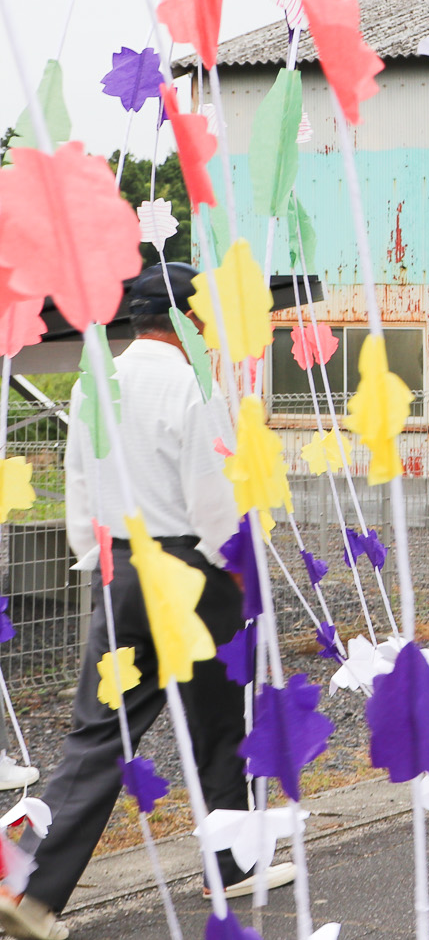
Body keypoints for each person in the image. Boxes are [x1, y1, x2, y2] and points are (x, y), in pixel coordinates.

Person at [1, 266, 273, 940]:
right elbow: (211, 486)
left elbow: (78, 480)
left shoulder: (98, 381)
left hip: (121, 565)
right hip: (190, 564)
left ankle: (28, 887)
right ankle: (229, 866)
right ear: (186, 318)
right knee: (218, 720)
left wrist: (98, 562)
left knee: (98, 733)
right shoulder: (194, 380)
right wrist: (234, 562)